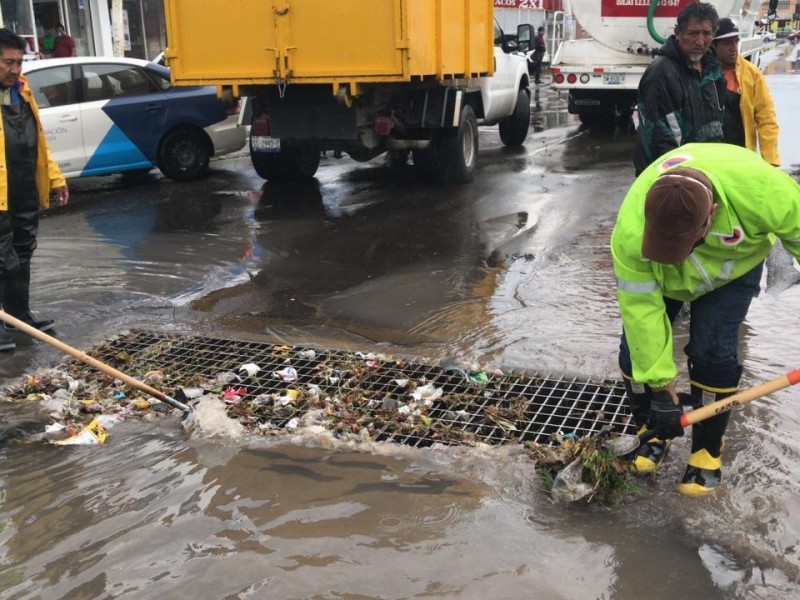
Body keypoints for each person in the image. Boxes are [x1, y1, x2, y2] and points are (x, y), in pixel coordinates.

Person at [610, 142, 800, 496]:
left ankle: (707, 450)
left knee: (712, 352)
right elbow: (641, 313)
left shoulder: (765, 193)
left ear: (711, 214)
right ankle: (651, 432)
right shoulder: (631, 229)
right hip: (663, 280)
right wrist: (662, 389)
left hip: (732, 271)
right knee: (635, 352)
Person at [0, 29, 69, 351]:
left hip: (24, 187)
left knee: (24, 252)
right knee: (4, 260)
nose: (15, 69)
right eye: (8, 63)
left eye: (19, 62)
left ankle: (19, 315)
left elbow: (39, 144)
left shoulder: (23, 93)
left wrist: (56, 178)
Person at [633, 2, 726, 175]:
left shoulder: (713, 71)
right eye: (693, 33)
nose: (700, 41)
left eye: (707, 33)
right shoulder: (661, 73)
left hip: (706, 170)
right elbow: (660, 138)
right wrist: (680, 178)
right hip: (671, 176)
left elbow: (718, 123)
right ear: (677, 33)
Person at [713, 18, 780, 166]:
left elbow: (766, 118)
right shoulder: (701, 72)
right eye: (727, 43)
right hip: (712, 158)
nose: (733, 48)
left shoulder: (751, 73)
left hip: (742, 157)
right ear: (713, 45)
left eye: (735, 41)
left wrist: (770, 161)